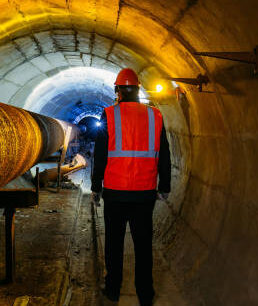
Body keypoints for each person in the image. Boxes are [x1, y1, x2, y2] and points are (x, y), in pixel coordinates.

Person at [91, 68, 171, 305]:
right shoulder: (155, 116)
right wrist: (164, 186)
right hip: (144, 193)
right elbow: (164, 155)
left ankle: (113, 290)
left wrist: (96, 186)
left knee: (114, 244)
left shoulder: (109, 115)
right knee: (144, 245)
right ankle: (145, 294)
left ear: (118, 91)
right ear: (138, 89)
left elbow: (101, 154)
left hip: (115, 193)